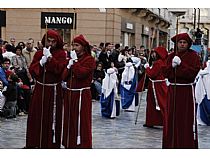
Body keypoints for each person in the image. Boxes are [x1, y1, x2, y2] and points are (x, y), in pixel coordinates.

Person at [25, 29, 67, 148]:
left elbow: (60, 70)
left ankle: (51, 143)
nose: (50, 44)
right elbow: (32, 70)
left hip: (53, 90)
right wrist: (40, 63)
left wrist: (50, 59)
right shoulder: (39, 53)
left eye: (53, 41)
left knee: (52, 117)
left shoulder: (61, 54)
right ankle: (35, 142)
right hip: (40, 89)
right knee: (37, 115)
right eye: (48, 41)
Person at [163, 33, 201, 148]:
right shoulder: (170, 56)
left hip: (185, 92)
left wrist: (181, 65)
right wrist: (172, 66)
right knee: (171, 118)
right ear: (176, 44)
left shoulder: (193, 56)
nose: (182, 44)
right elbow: (165, 73)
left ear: (188, 44)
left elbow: (192, 74)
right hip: (173, 91)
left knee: (185, 119)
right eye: (180, 42)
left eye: (184, 42)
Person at [62, 34, 96, 148]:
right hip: (70, 93)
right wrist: (68, 66)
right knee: (69, 120)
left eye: (76, 45)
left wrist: (75, 62)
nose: (74, 48)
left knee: (82, 120)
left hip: (82, 94)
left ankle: (82, 144)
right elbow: (63, 77)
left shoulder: (89, 60)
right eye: (73, 45)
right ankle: (69, 143)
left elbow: (81, 74)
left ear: (83, 46)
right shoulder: (72, 59)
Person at [143, 47, 168, 129]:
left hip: (157, 86)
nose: (153, 54)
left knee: (160, 103)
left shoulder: (158, 63)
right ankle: (152, 121)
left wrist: (147, 68)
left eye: (155, 53)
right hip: (157, 84)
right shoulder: (162, 62)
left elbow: (152, 74)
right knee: (153, 103)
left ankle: (165, 121)